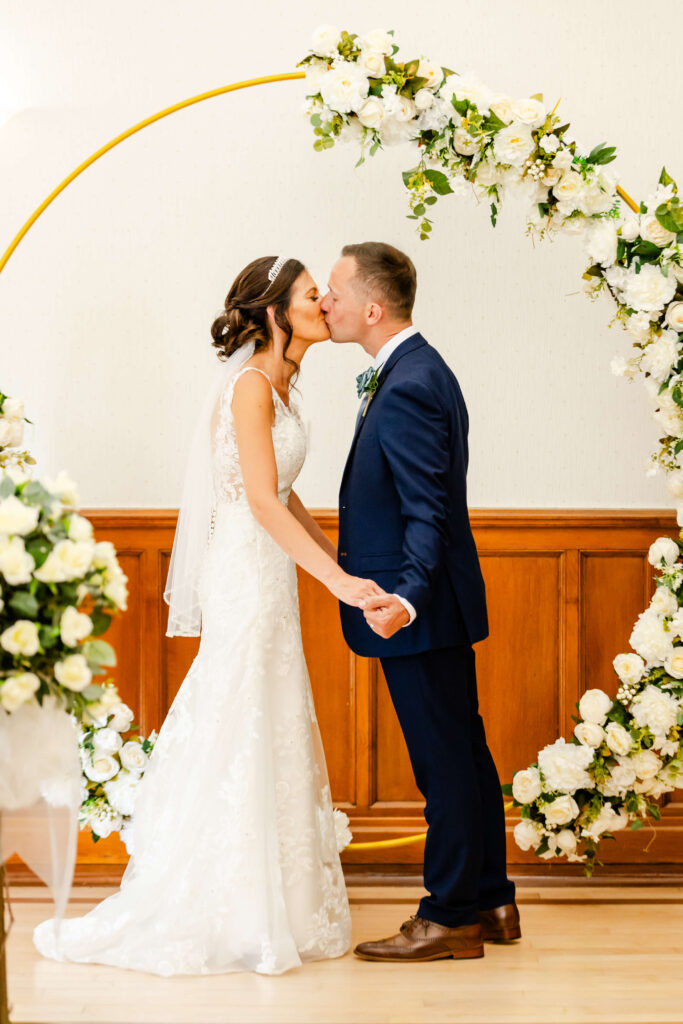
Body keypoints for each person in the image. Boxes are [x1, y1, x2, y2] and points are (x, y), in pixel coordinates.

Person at [33, 255, 384, 976]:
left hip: (272, 568)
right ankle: (224, 904)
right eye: (308, 297)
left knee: (273, 715)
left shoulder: (287, 384)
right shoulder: (251, 385)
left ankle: (276, 900)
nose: (322, 303)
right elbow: (256, 502)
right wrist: (337, 586)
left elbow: (284, 496)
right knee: (239, 709)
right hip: (244, 575)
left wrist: (343, 568)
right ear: (273, 313)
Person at [321, 241, 520, 962]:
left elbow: (426, 510)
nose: (324, 303)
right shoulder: (413, 368)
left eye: (335, 292)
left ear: (373, 308)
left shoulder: (407, 382)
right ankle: (491, 900)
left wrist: (403, 597)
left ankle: (447, 917)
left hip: (416, 605)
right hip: (431, 601)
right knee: (463, 755)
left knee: (442, 764)